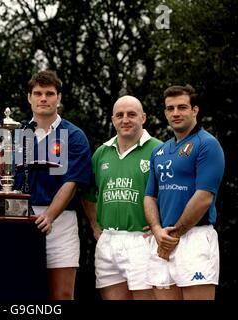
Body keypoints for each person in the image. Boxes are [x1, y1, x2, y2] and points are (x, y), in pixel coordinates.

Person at [15, 70, 92, 299]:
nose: (43, 98)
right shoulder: (15, 134)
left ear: (58, 97)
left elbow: (72, 183)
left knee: (62, 294)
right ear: (29, 97)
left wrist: (49, 216)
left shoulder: (74, 135)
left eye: (49, 93)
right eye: (37, 93)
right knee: (24, 293)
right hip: (20, 220)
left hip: (61, 220)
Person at [144, 85, 225, 300]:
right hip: (162, 239)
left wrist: (174, 234)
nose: (176, 113)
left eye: (182, 107)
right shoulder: (159, 151)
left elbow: (204, 198)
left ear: (195, 110)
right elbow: (150, 196)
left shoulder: (207, 144)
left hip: (194, 237)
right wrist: (156, 229)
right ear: (165, 113)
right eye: (170, 108)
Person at [81, 95, 162, 300]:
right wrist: (94, 226)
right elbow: (88, 193)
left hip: (143, 240)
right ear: (113, 119)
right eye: (120, 115)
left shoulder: (159, 150)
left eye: (131, 114)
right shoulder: (101, 153)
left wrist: (160, 225)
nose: (125, 119)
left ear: (143, 118)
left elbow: (173, 192)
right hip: (108, 239)